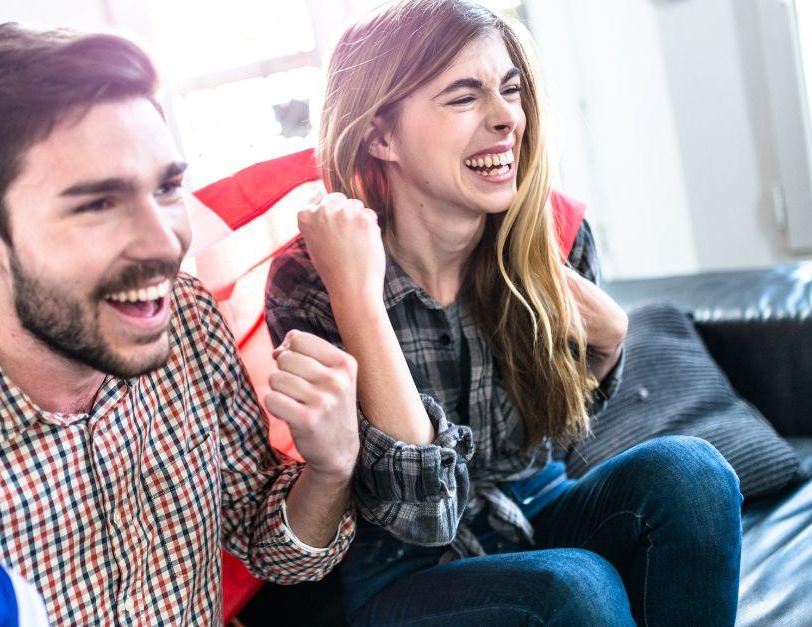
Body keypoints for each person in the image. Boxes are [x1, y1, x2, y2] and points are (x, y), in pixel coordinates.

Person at [0, 24, 359, 625]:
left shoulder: (186, 315)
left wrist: (329, 469)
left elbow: (266, 543)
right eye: (97, 204)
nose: (165, 243)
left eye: (167, 187)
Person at [265, 1, 743, 624]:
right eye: (465, 98)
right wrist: (359, 297)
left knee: (694, 475)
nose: (506, 118)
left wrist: (611, 344)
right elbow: (422, 516)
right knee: (574, 585)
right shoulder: (311, 279)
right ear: (381, 135)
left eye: (510, 90)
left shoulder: (557, 237)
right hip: (403, 567)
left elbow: (566, 431)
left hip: (536, 503)